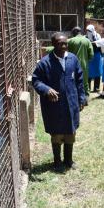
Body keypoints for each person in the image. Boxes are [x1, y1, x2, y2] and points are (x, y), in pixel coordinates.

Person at [32, 32, 86, 172]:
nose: (63, 46)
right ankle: (57, 161)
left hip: (71, 102)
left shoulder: (72, 59)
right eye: (60, 43)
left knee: (70, 132)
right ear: (53, 44)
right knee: (56, 134)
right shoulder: (45, 62)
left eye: (65, 43)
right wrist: (46, 89)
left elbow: (80, 80)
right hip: (54, 105)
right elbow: (36, 80)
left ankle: (68, 160)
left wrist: (81, 98)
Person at [68, 26, 94, 96]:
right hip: (84, 64)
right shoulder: (87, 40)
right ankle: (85, 97)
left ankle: (76, 96)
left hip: (72, 64)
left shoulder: (70, 41)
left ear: (74, 32)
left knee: (73, 80)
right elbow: (91, 54)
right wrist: (86, 59)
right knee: (85, 81)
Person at [87, 24, 103, 92]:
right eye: (87, 30)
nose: (88, 32)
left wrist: (93, 43)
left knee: (97, 71)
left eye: (89, 31)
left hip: (97, 55)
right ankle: (88, 87)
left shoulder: (97, 35)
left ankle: (96, 87)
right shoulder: (86, 36)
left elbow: (100, 43)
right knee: (89, 71)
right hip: (89, 56)